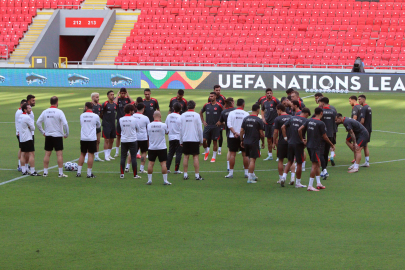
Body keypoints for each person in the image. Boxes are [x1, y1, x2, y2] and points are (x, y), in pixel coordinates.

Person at [299, 107, 335, 191]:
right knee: (314, 165)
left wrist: (302, 139)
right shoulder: (320, 123)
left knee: (318, 163)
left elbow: (299, 129)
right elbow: (325, 137)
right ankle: (310, 186)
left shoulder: (309, 120)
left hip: (310, 145)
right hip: (316, 146)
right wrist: (331, 144)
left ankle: (318, 183)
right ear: (321, 113)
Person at [36, 96, 69, 178]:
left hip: (48, 135)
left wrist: (43, 132)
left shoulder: (45, 111)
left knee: (47, 154)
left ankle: (45, 172)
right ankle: (60, 173)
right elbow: (65, 124)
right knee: (59, 154)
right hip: (57, 135)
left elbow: (38, 122)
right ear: (57, 102)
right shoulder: (59, 111)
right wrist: (66, 134)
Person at [281, 107, 311, 188]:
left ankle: (283, 177)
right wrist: (302, 140)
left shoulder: (292, 118)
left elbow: (283, 127)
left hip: (290, 142)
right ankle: (298, 183)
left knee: (290, 161)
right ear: (307, 114)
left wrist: (285, 138)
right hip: (298, 144)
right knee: (299, 163)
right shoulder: (306, 121)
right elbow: (300, 130)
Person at [240, 104, 265, 183]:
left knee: (248, 157)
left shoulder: (246, 119)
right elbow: (261, 133)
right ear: (258, 110)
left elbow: (241, 131)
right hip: (254, 142)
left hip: (246, 141)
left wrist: (241, 140)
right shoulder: (259, 120)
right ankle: (250, 178)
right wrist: (263, 142)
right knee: (252, 160)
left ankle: (252, 175)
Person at [180, 100, 204, 180]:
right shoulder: (196, 115)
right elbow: (200, 130)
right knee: (195, 157)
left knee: (186, 156)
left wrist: (181, 140)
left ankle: (185, 175)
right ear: (194, 106)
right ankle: (197, 175)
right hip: (194, 139)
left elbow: (181, 129)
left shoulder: (183, 115)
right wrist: (201, 140)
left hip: (186, 138)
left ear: (187, 106)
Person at [225, 99, 249, 178]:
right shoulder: (246, 113)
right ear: (243, 104)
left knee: (232, 155)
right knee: (245, 155)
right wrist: (241, 134)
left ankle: (231, 173)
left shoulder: (231, 113)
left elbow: (228, 124)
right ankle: (246, 173)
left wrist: (235, 133)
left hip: (232, 136)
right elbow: (247, 126)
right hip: (243, 137)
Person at [146, 111, 171, 185]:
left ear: (153, 116)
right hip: (162, 147)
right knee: (163, 164)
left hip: (152, 147)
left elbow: (148, 135)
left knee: (151, 163)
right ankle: (165, 180)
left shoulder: (149, 125)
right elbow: (167, 132)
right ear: (160, 116)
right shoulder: (163, 125)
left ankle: (149, 180)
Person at [76, 102, 100, 178]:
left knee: (82, 154)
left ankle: (78, 172)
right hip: (92, 138)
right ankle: (89, 173)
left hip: (83, 137)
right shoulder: (95, 116)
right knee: (91, 155)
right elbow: (98, 125)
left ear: (86, 107)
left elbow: (81, 124)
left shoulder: (82, 115)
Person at [272, 104, 293, 186]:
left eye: (277, 110)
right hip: (291, 141)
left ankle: (281, 178)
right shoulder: (291, 117)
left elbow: (275, 132)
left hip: (281, 142)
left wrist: (274, 142)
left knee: (280, 160)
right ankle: (292, 177)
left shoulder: (278, 119)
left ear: (279, 110)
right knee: (291, 160)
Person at [119, 104, 141, 179]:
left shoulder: (121, 119)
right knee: (133, 157)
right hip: (132, 140)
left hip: (124, 140)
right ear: (130, 111)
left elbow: (120, 128)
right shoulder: (134, 119)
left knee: (123, 157)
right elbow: (138, 129)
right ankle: (135, 175)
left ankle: (122, 174)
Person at [127, 103, 150, 173]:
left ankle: (127, 167)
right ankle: (141, 169)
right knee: (143, 152)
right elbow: (148, 128)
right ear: (143, 109)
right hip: (143, 137)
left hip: (134, 137)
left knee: (132, 152)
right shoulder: (145, 118)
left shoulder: (132, 116)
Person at [200, 92, 223, 162]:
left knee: (215, 142)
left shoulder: (219, 105)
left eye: (212, 96)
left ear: (215, 97)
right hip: (207, 126)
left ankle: (214, 157)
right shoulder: (206, 105)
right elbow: (200, 112)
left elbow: (224, 114)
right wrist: (203, 121)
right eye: (210, 96)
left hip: (215, 126)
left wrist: (220, 121)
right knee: (203, 140)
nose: (211, 97)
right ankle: (207, 151)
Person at [18, 103, 40, 176]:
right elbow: (33, 128)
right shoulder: (27, 117)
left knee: (23, 154)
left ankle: (24, 170)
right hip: (27, 137)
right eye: (29, 108)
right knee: (31, 154)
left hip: (22, 138)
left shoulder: (20, 116)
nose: (30, 110)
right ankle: (33, 171)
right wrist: (29, 127)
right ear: (25, 109)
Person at [318, 97, 337, 179]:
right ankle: (323, 171)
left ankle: (324, 170)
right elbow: (335, 122)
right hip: (330, 135)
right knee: (326, 153)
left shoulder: (321, 112)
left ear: (322, 103)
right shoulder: (333, 111)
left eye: (319, 102)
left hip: (322, 135)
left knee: (320, 153)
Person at [114, 88, 134, 157]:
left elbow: (133, 103)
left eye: (124, 93)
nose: (122, 95)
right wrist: (117, 95)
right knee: (118, 136)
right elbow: (114, 103)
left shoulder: (127, 99)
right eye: (121, 93)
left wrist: (128, 95)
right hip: (119, 120)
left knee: (127, 135)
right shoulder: (117, 99)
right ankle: (116, 152)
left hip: (127, 120)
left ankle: (127, 151)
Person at [260, 88, 280, 161]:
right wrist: (263, 118)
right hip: (267, 123)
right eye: (268, 93)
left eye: (270, 93)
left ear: (272, 94)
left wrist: (278, 117)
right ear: (265, 94)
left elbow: (280, 108)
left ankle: (279, 156)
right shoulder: (264, 102)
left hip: (274, 123)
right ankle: (270, 155)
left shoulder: (275, 100)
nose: (269, 94)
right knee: (268, 139)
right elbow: (262, 110)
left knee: (275, 139)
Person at [218, 97, 235, 171]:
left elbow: (219, 123)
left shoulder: (224, 112)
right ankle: (246, 170)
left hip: (230, 133)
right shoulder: (236, 110)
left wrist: (225, 123)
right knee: (244, 153)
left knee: (230, 151)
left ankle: (229, 167)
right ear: (231, 103)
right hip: (239, 133)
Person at [165, 102, 183, 174]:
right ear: (180, 109)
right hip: (178, 137)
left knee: (170, 153)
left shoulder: (169, 116)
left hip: (171, 137)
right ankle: (176, 169)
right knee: (178, 153)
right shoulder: (180, 117)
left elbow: (166, 126)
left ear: (173, 108)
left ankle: (167, 168)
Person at [101, 90, 117, 161]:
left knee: (112, 140)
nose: (112, 96)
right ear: (107, 96)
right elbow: (101, 113)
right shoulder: (105, 104)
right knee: (106, 140)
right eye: (111, 94)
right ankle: (105, 156)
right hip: (106, 125)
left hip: (113, 124)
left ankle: (109, 154)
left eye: (113, 94)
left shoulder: (115, 104)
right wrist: (104, 119)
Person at [211, 85, 226, 154]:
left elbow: (225, 108)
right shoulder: (211, 97)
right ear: (214, 90)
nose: (218, 91)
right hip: (212, 118)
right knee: (211, 133)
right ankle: (208, 149)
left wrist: (223, 119)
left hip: (220, 119)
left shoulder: (223, 98)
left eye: (219, 90)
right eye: (216, 90)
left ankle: (219, 149)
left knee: (220, 133)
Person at [358, 95, 372, 167]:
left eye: (359, 99)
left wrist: (357, 126)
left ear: (363, 100)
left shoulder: (363, 108)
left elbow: (362, 121)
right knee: (365, 145)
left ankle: (356, 164)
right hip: (369, 129)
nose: (358, 101)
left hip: (364, 130)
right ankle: (367, 162)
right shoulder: (369, 107)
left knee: (359, 148)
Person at [90, 92, 104, 162]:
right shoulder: (90, 105)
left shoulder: (99, 106)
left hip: (98, 126)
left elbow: (101, 115)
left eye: (98, 97)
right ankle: (87, 156)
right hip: (91, 127)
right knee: (90, 141)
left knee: (98, 141)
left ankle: (96, 156)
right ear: (92, 98)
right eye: (96, 97)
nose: (98, 98)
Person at [15, 99, 27, 172]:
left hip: (20, 133)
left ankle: (21, 164)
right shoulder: (20, 112)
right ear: (21, 105)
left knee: (22, 149)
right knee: (22, 149)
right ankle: (20, 165)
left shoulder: (19, 111)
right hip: (20, 133)